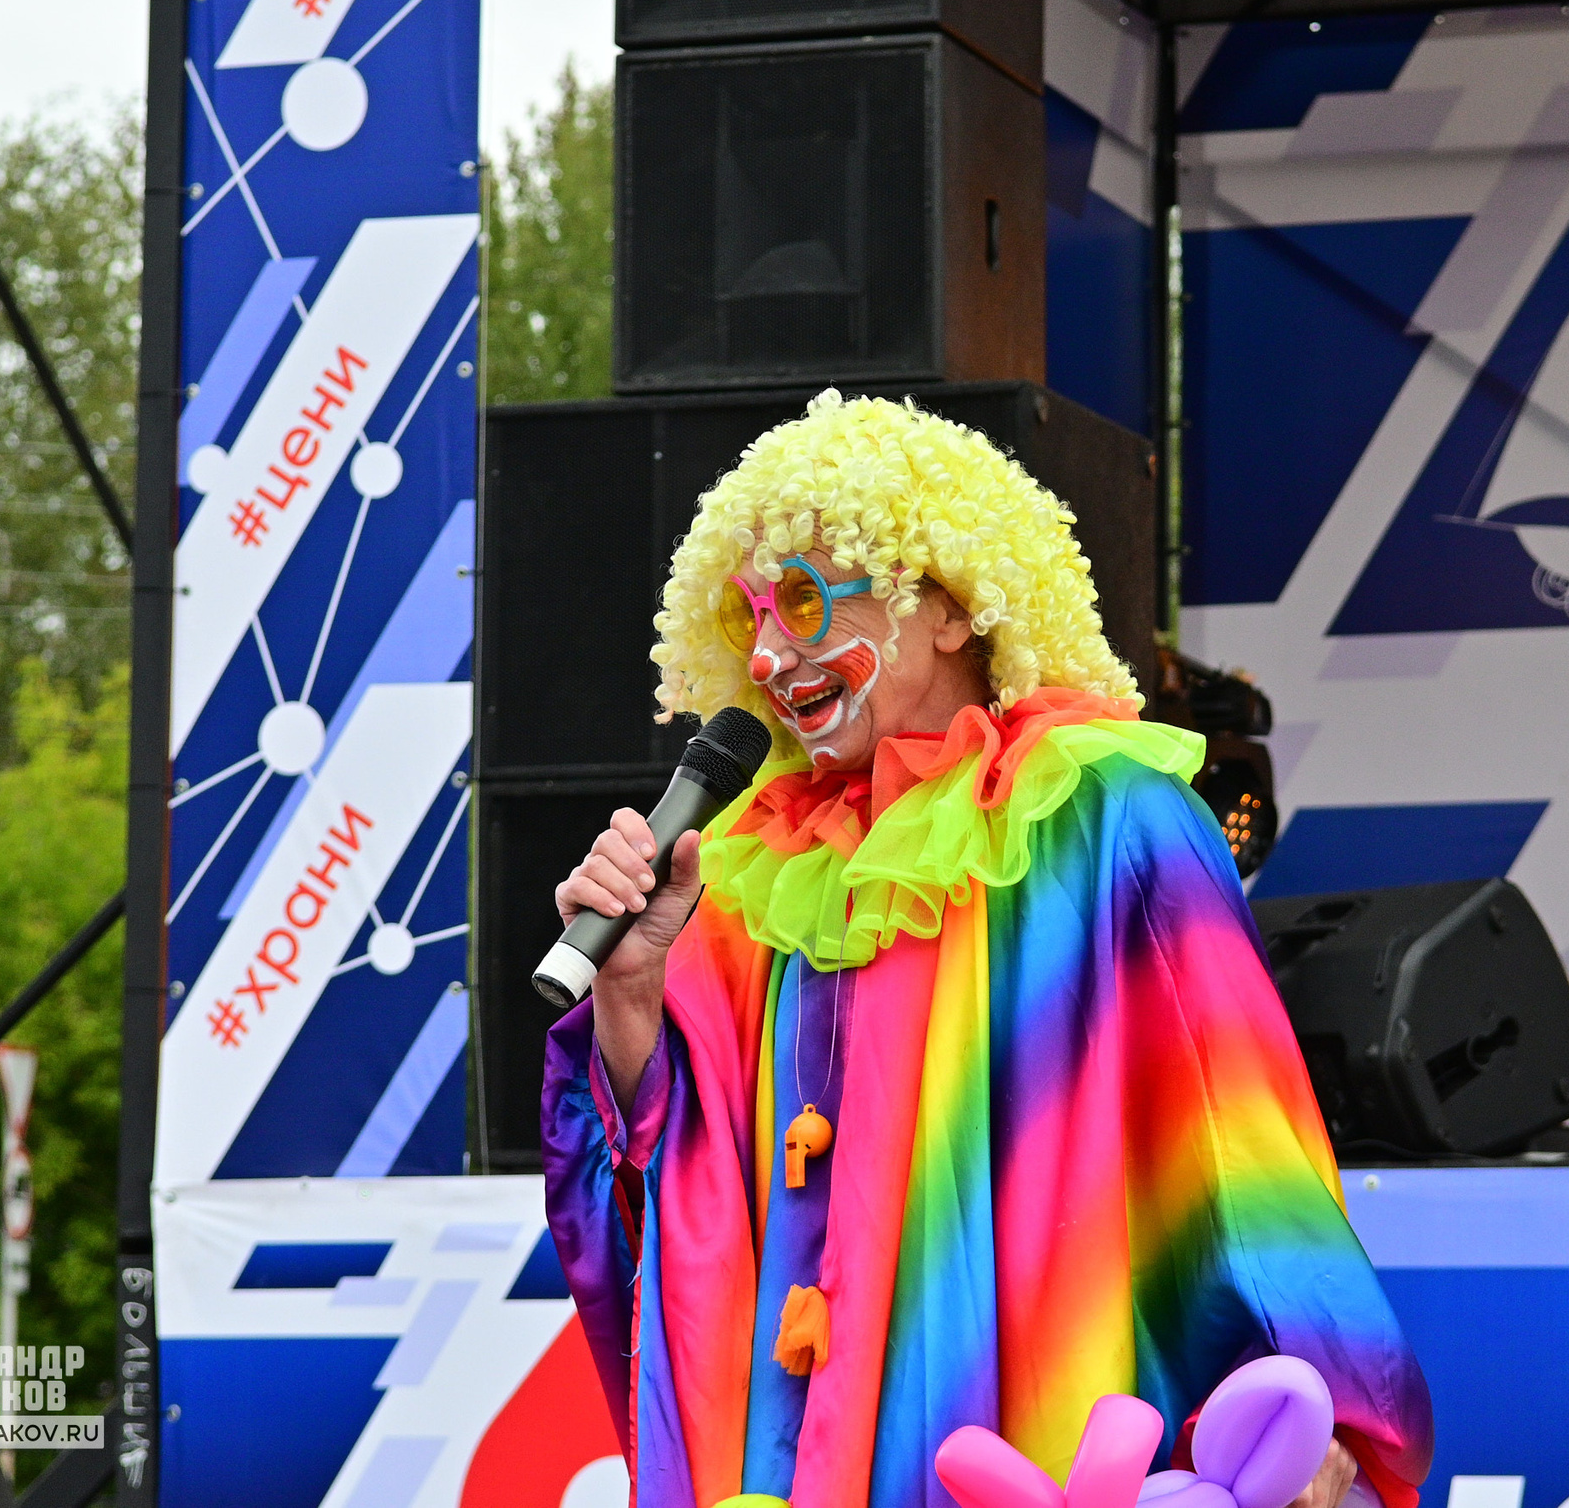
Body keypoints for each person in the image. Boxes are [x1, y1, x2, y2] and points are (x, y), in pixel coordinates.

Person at [543, 392, 1430, 1508]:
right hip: (794, 1451)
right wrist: (628, 995)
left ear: (951, 608)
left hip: (1039, 1415)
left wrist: (1307, 1395)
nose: (769, 657)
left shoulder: (1108, 813)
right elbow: (685, 1181)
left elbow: (1236, 1129)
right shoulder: (741, 866)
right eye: (749, 616)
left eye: (806, 603)